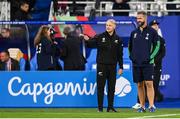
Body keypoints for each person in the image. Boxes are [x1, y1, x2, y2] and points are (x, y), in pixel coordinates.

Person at [82, 19, 123, 112]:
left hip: (112, 66)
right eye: (107, 25)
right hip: (102, 66)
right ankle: (100, 108)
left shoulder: (118, 39)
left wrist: (121, 67)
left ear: (114, 26)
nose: (108, 27)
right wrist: (87, 40)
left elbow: (120, 54)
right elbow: (91, 43)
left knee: (111, 88)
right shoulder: (100, 36)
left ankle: (110, 107)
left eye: (110, 25)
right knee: (100, 87)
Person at [128, 11, 160, 112]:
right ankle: (142, 106)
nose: (138, 20)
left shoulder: (152, 32)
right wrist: (131, 57)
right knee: (139, 85)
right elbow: (130, 46)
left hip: (148, 63)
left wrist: (151, 57)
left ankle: (151, 105)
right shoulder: (134, 33)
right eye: (137, 18)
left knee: (149, 83)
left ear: (145, 19)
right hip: (136, 63)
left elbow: (157, 45)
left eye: (140, 18)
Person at [149, 20, 166, 102]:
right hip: (147, 64)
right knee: (146, 82)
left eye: (157, 25)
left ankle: (155, 97)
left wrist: (155, 60)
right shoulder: (146, 38)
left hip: (157, 65)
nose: (155, 26)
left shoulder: (161, 40)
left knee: (155, 82)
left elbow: (163, 53)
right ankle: (145, 97)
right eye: (154, 25)